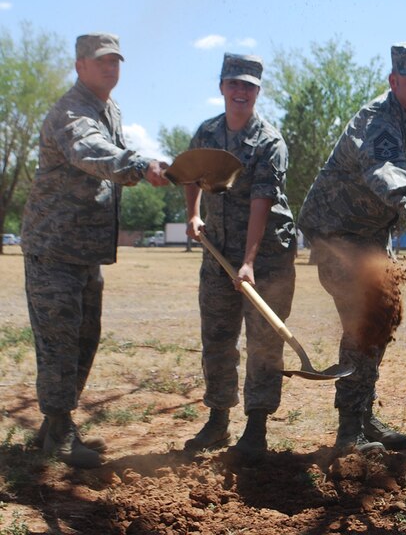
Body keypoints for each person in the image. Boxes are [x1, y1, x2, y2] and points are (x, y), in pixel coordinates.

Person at [21, 33, 169, 468]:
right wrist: (139, 164)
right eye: (102, 61)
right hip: (55, 249)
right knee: (59, 341)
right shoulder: (71, 112)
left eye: (116, 61)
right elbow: (92, 151)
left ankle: (55, 427)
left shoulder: (109, 109)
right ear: (80, 65)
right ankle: (60, 432)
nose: (111, 68)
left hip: (83, 252)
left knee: (84, 340)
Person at [298, 42, 406, 454]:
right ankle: (349, 431)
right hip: (337, 230)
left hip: (374, 231)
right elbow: (385, 172)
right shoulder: (376, 120)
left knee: (382, 318)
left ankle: (362, 415)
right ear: (393, 81)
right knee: (363, 321)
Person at [183, 53, 297, 462]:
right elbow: (190, 174)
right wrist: (194, 214)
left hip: (266, 256)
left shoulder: (269, 141)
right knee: (217, 336)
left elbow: (261, 201)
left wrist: (248, 262)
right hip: (218, 252)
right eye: (234, 83)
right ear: (222, 87)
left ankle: (257, 426)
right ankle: (217, 421)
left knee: (264, 342)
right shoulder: (207, 131)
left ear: (257, 92)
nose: (240, 91)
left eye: (248, 86)